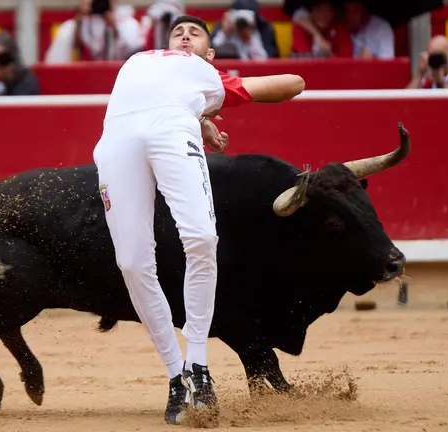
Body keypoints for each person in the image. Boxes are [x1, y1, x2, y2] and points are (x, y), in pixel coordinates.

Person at [92, 14, 305, 426]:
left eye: (194, 33)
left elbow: (294, 82)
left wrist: (205, 104)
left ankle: (198, 366)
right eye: (177, 31)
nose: (184, 34)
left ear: (209, 54)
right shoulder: (141, 58)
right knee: (132, 263)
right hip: (116, 143)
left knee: (203, 238)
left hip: (173, 133)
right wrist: (203, 116)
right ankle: (177, 376)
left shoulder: (205, 74)